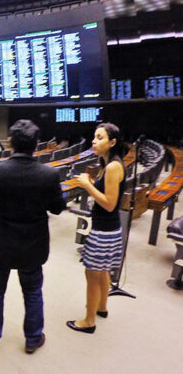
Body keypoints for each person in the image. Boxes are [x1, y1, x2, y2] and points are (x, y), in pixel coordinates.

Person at [0, 119, 66, 354]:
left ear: (10, 142)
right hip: (32, 246)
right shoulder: (49, 175)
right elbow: (57, 208)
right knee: (32, 292)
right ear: (36, 144)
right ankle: (33, 339)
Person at [67, 123, 126, 334]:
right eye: (94, 137)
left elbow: (110, 204)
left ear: (112, 142)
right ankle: (101, 308)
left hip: (104, 231)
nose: (94, 141)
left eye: (99, 137)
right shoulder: (107, 164)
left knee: (92, 274)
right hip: (109, 230)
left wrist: (87, 185)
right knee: (102, 273)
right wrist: (93, 181)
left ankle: (88, 321)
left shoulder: (112, 166)